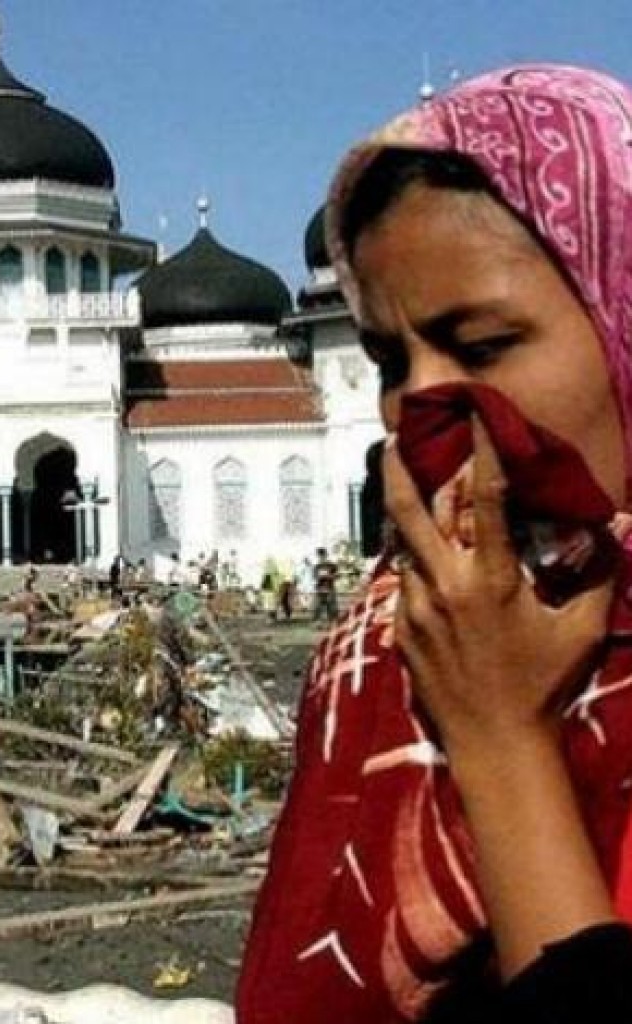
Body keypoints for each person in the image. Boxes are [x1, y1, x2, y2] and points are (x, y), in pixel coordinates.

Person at [238, 66, 632, 1024]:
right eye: (388, 359)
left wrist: (500, 736)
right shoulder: (392, 640)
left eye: (485, 345)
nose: (421, 404)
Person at [311, 546, 338, 622]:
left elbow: (337, 576)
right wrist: (319, 577)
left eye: (322, 555)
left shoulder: (332, 565)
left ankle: (333, 622)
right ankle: (317, 622)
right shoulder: (316, 566)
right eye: (319, 555)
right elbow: (314, 577)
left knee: (332, 607)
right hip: (319, 588)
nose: (321, 557)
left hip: (330, 587)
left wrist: (329, 576)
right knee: (317, 606)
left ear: (326, 555)